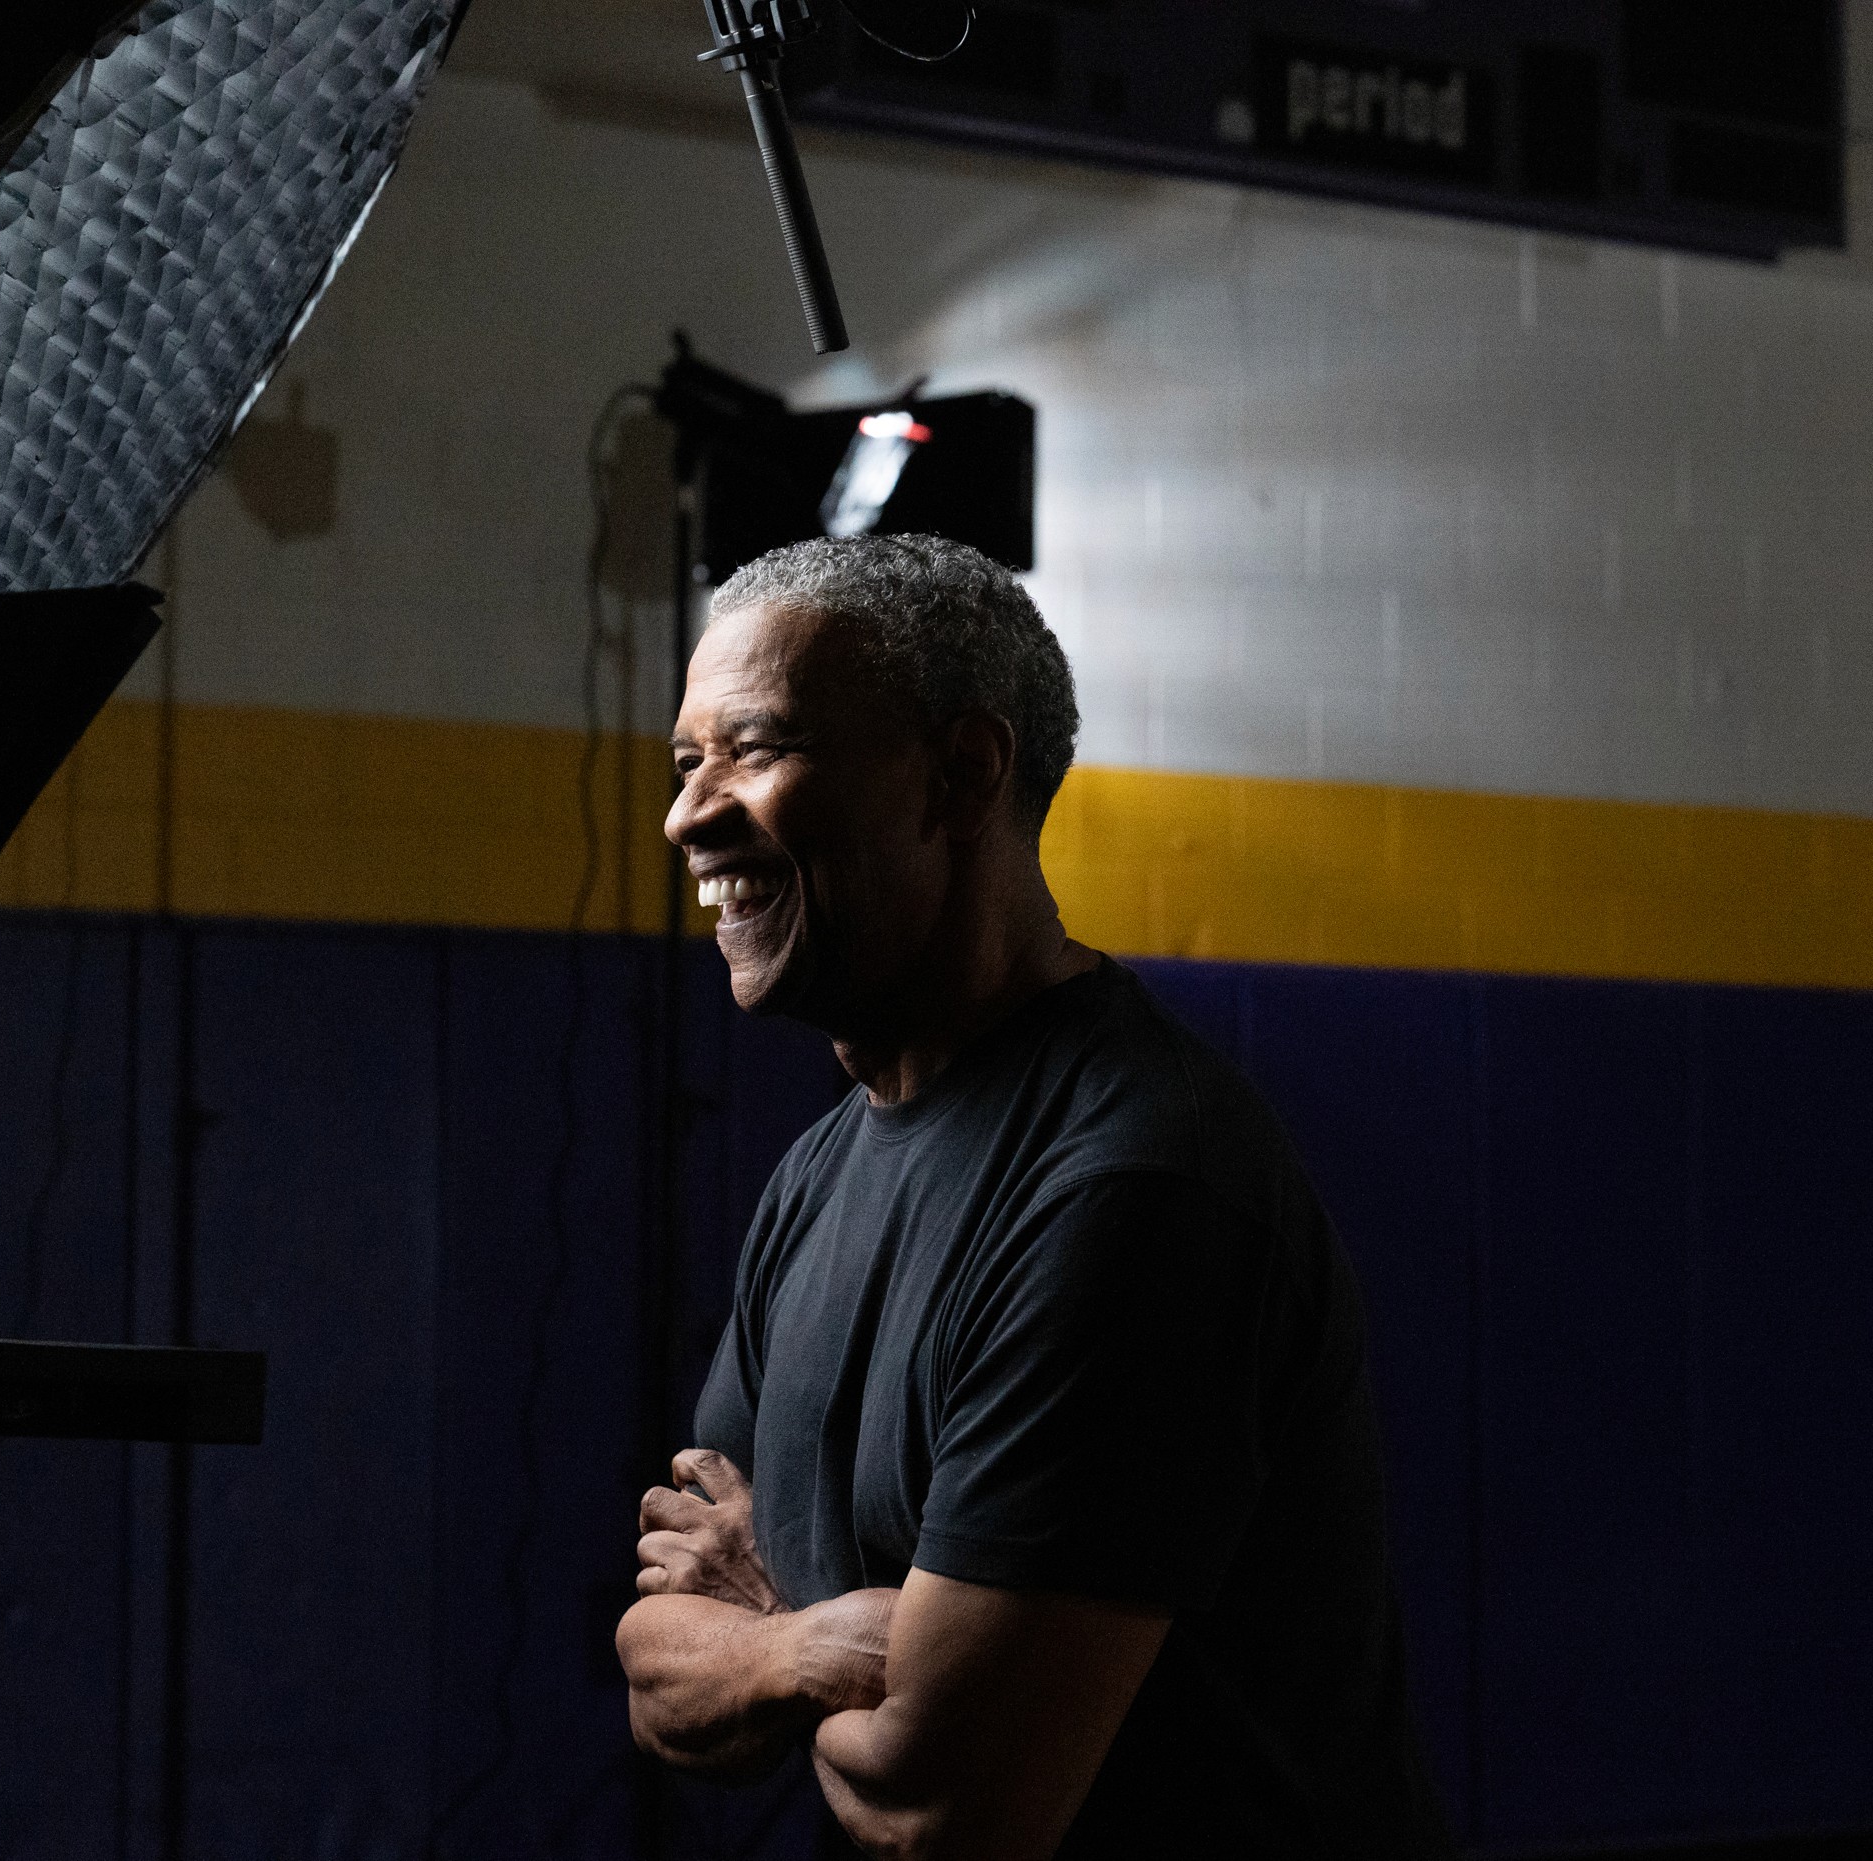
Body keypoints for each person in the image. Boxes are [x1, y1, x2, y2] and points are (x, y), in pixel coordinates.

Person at [615, 534, 1453, 1860]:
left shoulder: (1133, 1184)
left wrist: (760, 1618)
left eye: (754, 747)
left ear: (961, 775)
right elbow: (656, 1666)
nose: (686, 814)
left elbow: (946, 1805)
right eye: (684, 762)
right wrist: (814, 1644)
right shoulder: (815, 1178)